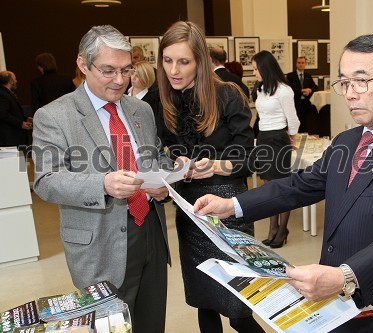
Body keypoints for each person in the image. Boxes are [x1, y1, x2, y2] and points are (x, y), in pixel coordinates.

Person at [194, 34, 373, 333]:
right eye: (344, 83)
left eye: (361, 81)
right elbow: (300, 185)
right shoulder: (348, 140)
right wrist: (233, 204)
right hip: (334, 304)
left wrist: (344, 277)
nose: (351, 94)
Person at [32, 25, 172, 333]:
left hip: (150, 230)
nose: (120, 80)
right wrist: (102, 184)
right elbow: (45, 179)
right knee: (109, 326)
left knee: (151, 323)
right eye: (108, 70)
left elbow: (151, 158)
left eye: (126, 70)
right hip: (98, 242)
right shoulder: (54, 116)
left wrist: (168, 174)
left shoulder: (141, 109)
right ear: (83, 65)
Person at [157, 21, 263, 333]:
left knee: (239, 307)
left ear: (200, 61)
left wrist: (213, 165)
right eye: (167, 60)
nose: (174, 70)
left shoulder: (228, 95)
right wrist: (172, 163)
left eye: (184, 61)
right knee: (204, 299)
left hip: (227, 207)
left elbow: (249, 159)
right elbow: (155, 151)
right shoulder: (161, 99)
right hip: (189, 209)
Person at [251, 50, 300, 248]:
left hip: (279, 139)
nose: (254, 73)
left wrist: (292, 137)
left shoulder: (284, 90)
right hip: (263, 138)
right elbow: (261, 117)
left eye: (256, 69)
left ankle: (282, 229)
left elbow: (293, 118)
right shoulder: (260, 89)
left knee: (281, 187)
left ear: (265, 68)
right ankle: (272, 228)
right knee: (268, 188)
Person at [127, 60, 166, 143]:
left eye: (137, 76)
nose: (133, 78)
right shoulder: (122, 94)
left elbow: (156, 131)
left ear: (146, 78)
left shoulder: (154, 102)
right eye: (132, 73)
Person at [0, 70, 31, 148]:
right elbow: (2, 114)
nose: (16, 81)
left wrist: (25, 119)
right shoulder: (1, 94)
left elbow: (12, 112)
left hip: (13, 137)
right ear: (11, 81)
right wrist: (20, 123)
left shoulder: (5, 93)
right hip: (9, 138)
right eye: (15, 79)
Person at [286, 56, 319, 133]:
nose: (301, 64)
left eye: (302, 63)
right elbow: (289, 89)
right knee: (295, 126)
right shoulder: (290, 76)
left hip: (306, 104)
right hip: (295, 104)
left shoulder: (308, 75)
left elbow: (316, 87)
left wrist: (310, 90)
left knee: (305, 126)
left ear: (305, 64)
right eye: (299, 63)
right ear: (296, 64)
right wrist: (301, 91)